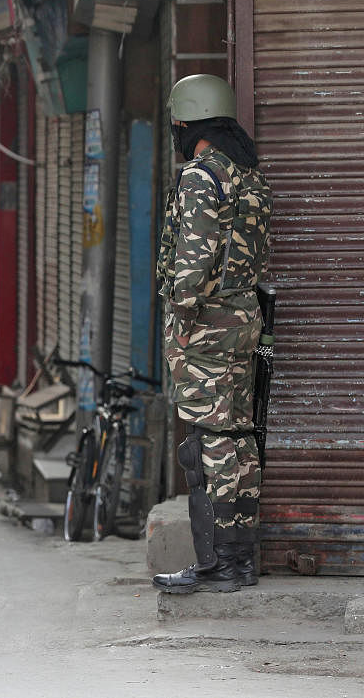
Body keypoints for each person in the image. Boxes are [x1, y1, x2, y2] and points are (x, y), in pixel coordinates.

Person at [152, 74, 272, 594]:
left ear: (187, 122)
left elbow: (191, 267)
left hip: (206, 330)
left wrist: (180, 320)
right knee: (237, 437)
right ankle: (239, 562)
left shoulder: (202, 176)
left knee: (208, 445)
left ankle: (217, 565)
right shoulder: (248, 175)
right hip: (243, 321)